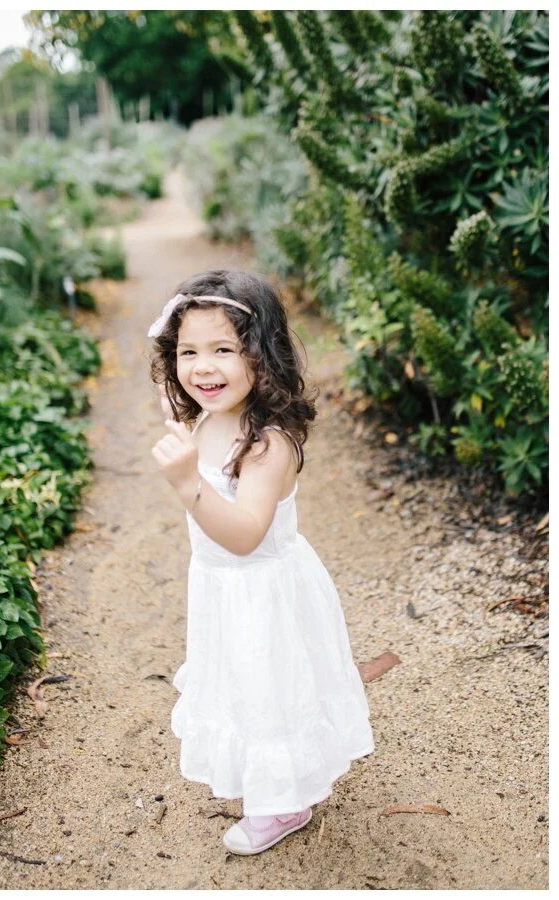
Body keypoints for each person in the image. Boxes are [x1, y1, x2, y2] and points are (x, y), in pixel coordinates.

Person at [146, 269, 374, 855]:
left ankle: (283, 805)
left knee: (271, 691)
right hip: (225, 590)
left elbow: (246, 534)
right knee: (243, 687)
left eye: (224, 349)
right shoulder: (212, 418)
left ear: (261, 354)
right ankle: (274, 784)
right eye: (188, 351)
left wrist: (187, 483)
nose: (203, 367)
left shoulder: (268, 442)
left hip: (262, 590)